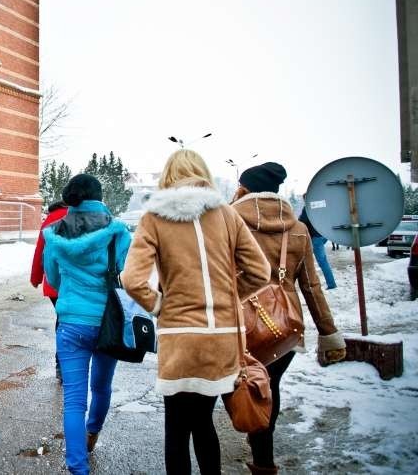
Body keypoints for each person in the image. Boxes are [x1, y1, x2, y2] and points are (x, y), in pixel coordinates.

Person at [121, 149, 271, 475]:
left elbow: (131, 279)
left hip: (179, 340)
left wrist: (160, 306)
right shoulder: (228, 215)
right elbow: (260, 272)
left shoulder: (154, 218)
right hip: (220, 340)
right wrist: (228, 300)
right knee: (204, 423)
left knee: (176, 429)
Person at [231, 162, 347, 475]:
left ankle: (253, 435)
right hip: (284, 329)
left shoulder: (228, 223)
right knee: (270, 387)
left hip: (237, 328)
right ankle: (263, 461)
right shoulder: (298, 229)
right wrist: (329, 333)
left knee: (240, 386)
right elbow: (311, 286)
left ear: (243, 189)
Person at [42, 174, 132, 475]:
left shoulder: (54, 233)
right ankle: (93, 432)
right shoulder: (118, 232)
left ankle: (78, 468)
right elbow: (125, 273)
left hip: (70, 324)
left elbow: (52, 278)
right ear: (99, 197)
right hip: (107, 322)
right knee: (102, 387)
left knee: (73, 400)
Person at [30, 200, 68, 380]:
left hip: (54, 285)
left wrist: (35, 277)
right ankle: (68, 365)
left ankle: (61, 365)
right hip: (75, 284)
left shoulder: (51, 218)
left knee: (62, 321)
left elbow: (40, 249)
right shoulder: (79, 216)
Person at [298, 202, 337, 289]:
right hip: (324, 235)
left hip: (316, 237)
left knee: (321, 261)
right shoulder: (321, 206)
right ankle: (311, 283)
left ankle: (331, 284)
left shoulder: (308, 208)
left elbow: (301, 221)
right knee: (309, 259)